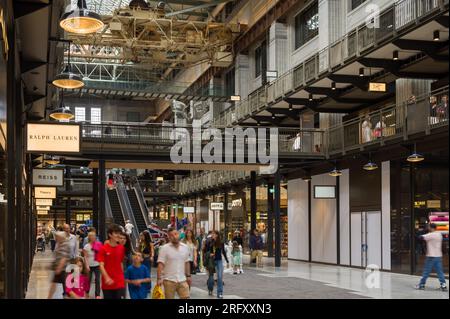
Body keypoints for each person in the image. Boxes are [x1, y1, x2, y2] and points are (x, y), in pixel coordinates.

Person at [157, 228, 191, 299]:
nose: (174, 237)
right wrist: (159, 278)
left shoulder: (185, 247)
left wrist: (188, 276)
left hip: (182, 279)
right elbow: (160, 264)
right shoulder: (164, 248)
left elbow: (187, 262)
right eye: (171, 235)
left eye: (175, 234)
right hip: (169, 280)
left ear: (179, 234)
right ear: (169, 237)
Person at [415, 223, 448, 291]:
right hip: (438, 256)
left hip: (431, 256)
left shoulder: (430, 235)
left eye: (428, 227)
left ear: (431, 228)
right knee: (440, 272)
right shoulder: (439, 234)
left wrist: (421, 231)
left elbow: (420, 237)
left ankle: (421, 285)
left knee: (426, 271)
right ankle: (443, 285)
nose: (428, 228)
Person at [97, 224, 126, 299]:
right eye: (116, 233)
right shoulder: (103, 249)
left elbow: (120, 262)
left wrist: (123, 276)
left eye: (119, 233)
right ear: (110, 234)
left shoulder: (121, 248)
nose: (118, 235)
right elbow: (101, 265)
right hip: (107, 284)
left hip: (119, 282)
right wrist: (106, 277)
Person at [205, 230, 229, 298]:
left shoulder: (221, 243)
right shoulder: (209, 242)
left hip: (219, 261)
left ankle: (220, 293)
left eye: (213, 234)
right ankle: (210, 289)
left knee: (220, 277)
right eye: (212, 234)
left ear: (217, 235)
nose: (212, 235)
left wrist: (227, 261)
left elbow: (223, 252)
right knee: (211, 278)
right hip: (211, 261)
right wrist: (210, 254)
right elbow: (206, 252)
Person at [48, 231, 70, 299]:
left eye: (57, 237)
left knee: (67, 286)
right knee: (54, 284)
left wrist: (59, 268)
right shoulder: (59, 243)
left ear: (61, 237)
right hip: (59, 268)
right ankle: (49, 297)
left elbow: (63, 258)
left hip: (63, 269)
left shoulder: (65, 245)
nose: (56, 238)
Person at [83, 231, 102, 299]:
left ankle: (97, 294)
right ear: (89, 237)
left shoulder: (99, 244)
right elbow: (85, 257)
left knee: (97, 280)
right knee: (88, 280)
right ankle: (87, 292)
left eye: (94, 235)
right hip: (89, 265)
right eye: (92, 236)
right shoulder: (86, 246)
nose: (94, 237)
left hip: (97, 265)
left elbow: (101, 255)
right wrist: (87, 265)